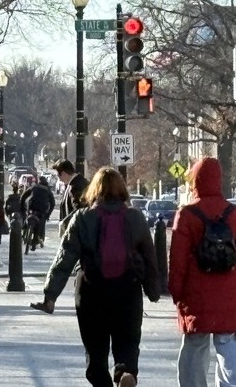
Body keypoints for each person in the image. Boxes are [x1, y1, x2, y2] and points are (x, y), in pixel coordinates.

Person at [31, 167, 161, 387]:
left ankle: (103, 382)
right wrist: (153, 290)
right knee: (127, 344)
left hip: (91, 290)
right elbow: (150, 257)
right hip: (127, 289)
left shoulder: (82, 218)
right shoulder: (135, 218)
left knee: (95, 351)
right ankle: (125, 373)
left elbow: (64, 258)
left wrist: (50, 295)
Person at [168, 157, 236, 387]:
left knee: (195, 345)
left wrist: (177, 293)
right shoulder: (235, 214)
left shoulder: (187, 215)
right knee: (229, 344)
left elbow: (177, 260)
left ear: (195, 181)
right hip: (230, 292)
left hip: (196, 292)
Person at [53, 159, 90, 233]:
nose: (59, 180)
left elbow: (79, 210)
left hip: (77, 232)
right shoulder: (75, 183)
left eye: (58, 176)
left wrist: (64, 223)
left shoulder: (76, 186)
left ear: (63, 173)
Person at [19, 176, 55, 250]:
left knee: (27, 216)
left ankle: (24, 228)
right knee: (41, 223)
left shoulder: (34, 187)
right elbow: (52, 203)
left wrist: (22, 207)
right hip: (42, 209)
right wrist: (48, 214)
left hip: (31, 205)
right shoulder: (48, 190)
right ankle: (38, 238)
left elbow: (24, 196)